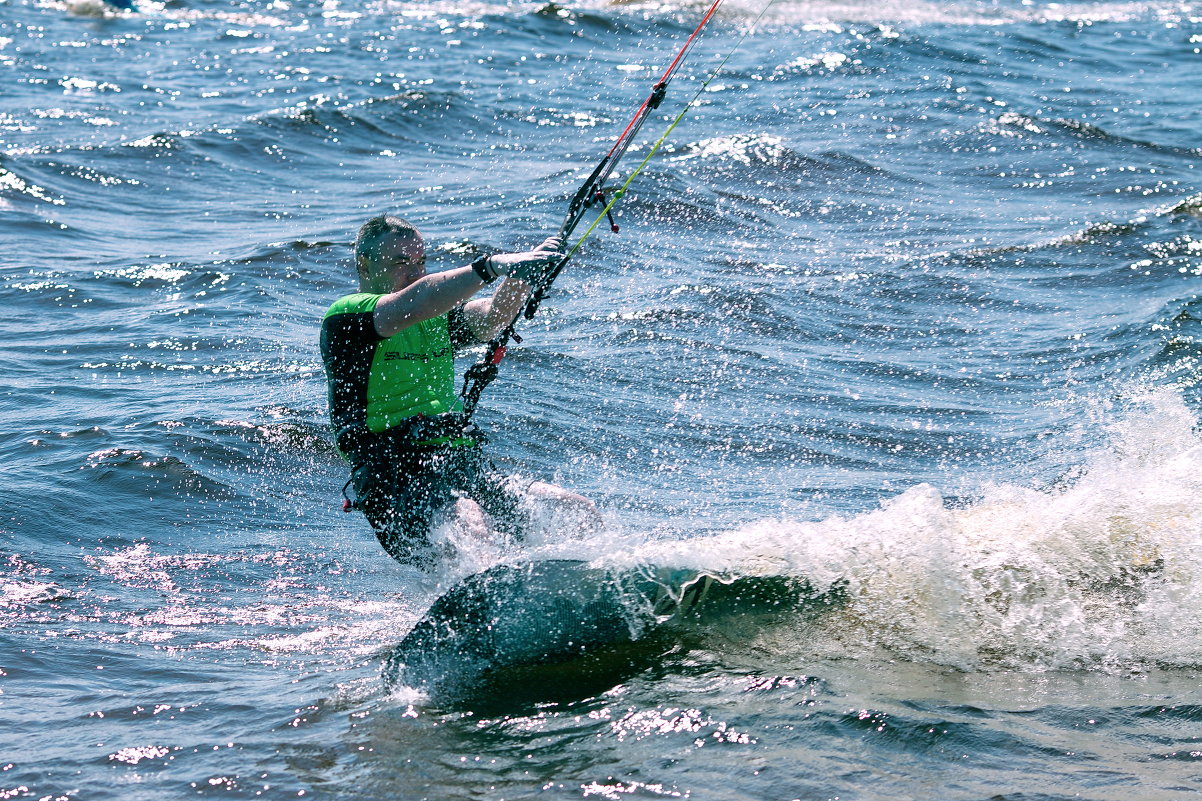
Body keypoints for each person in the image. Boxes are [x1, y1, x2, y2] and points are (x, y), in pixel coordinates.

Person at [321, 214, 595, 569]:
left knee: (574, 509)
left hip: (463, 465)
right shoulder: (347, 319)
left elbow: (493, 318)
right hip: (395, 480)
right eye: (401, 263)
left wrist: (519, 274)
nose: (414, 272)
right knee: (471, 521)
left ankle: (596, 588)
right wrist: (490, 266)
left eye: (420, 262)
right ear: (364, 264)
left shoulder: (436, 318)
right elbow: (417, 300)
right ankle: (490, 607)